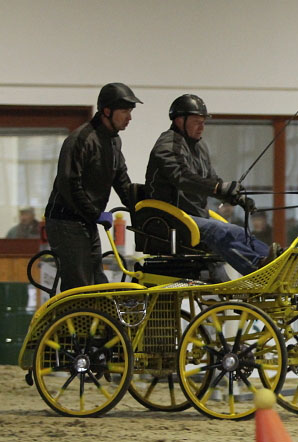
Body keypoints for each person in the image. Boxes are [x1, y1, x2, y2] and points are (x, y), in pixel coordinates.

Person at [145, 94, 281, 275]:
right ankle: (259, 268)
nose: (202, 127)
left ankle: (278, 263)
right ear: (179, 120)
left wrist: (233, 196)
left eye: (203, 121)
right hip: (171, 219)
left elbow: (211, 180)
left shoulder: (199, 147)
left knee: (238, 231)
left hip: (193, 216)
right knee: (220, 230)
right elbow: (181, 177)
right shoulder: (168, 144)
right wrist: (218, 188)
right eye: (196, 121)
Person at [44, 83, 143, 291]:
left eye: (130, 112)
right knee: (79, 287)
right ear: (107, 111)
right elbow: (69, 185)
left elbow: (122, 182)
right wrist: (95, 213)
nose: (130, 118)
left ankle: (94, 323)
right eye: (125, 111)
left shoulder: (114, 143)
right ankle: (72, 322)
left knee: (98, 284)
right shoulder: (81, 140)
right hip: (66, 221)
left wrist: (143, 207)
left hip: (86, 220)